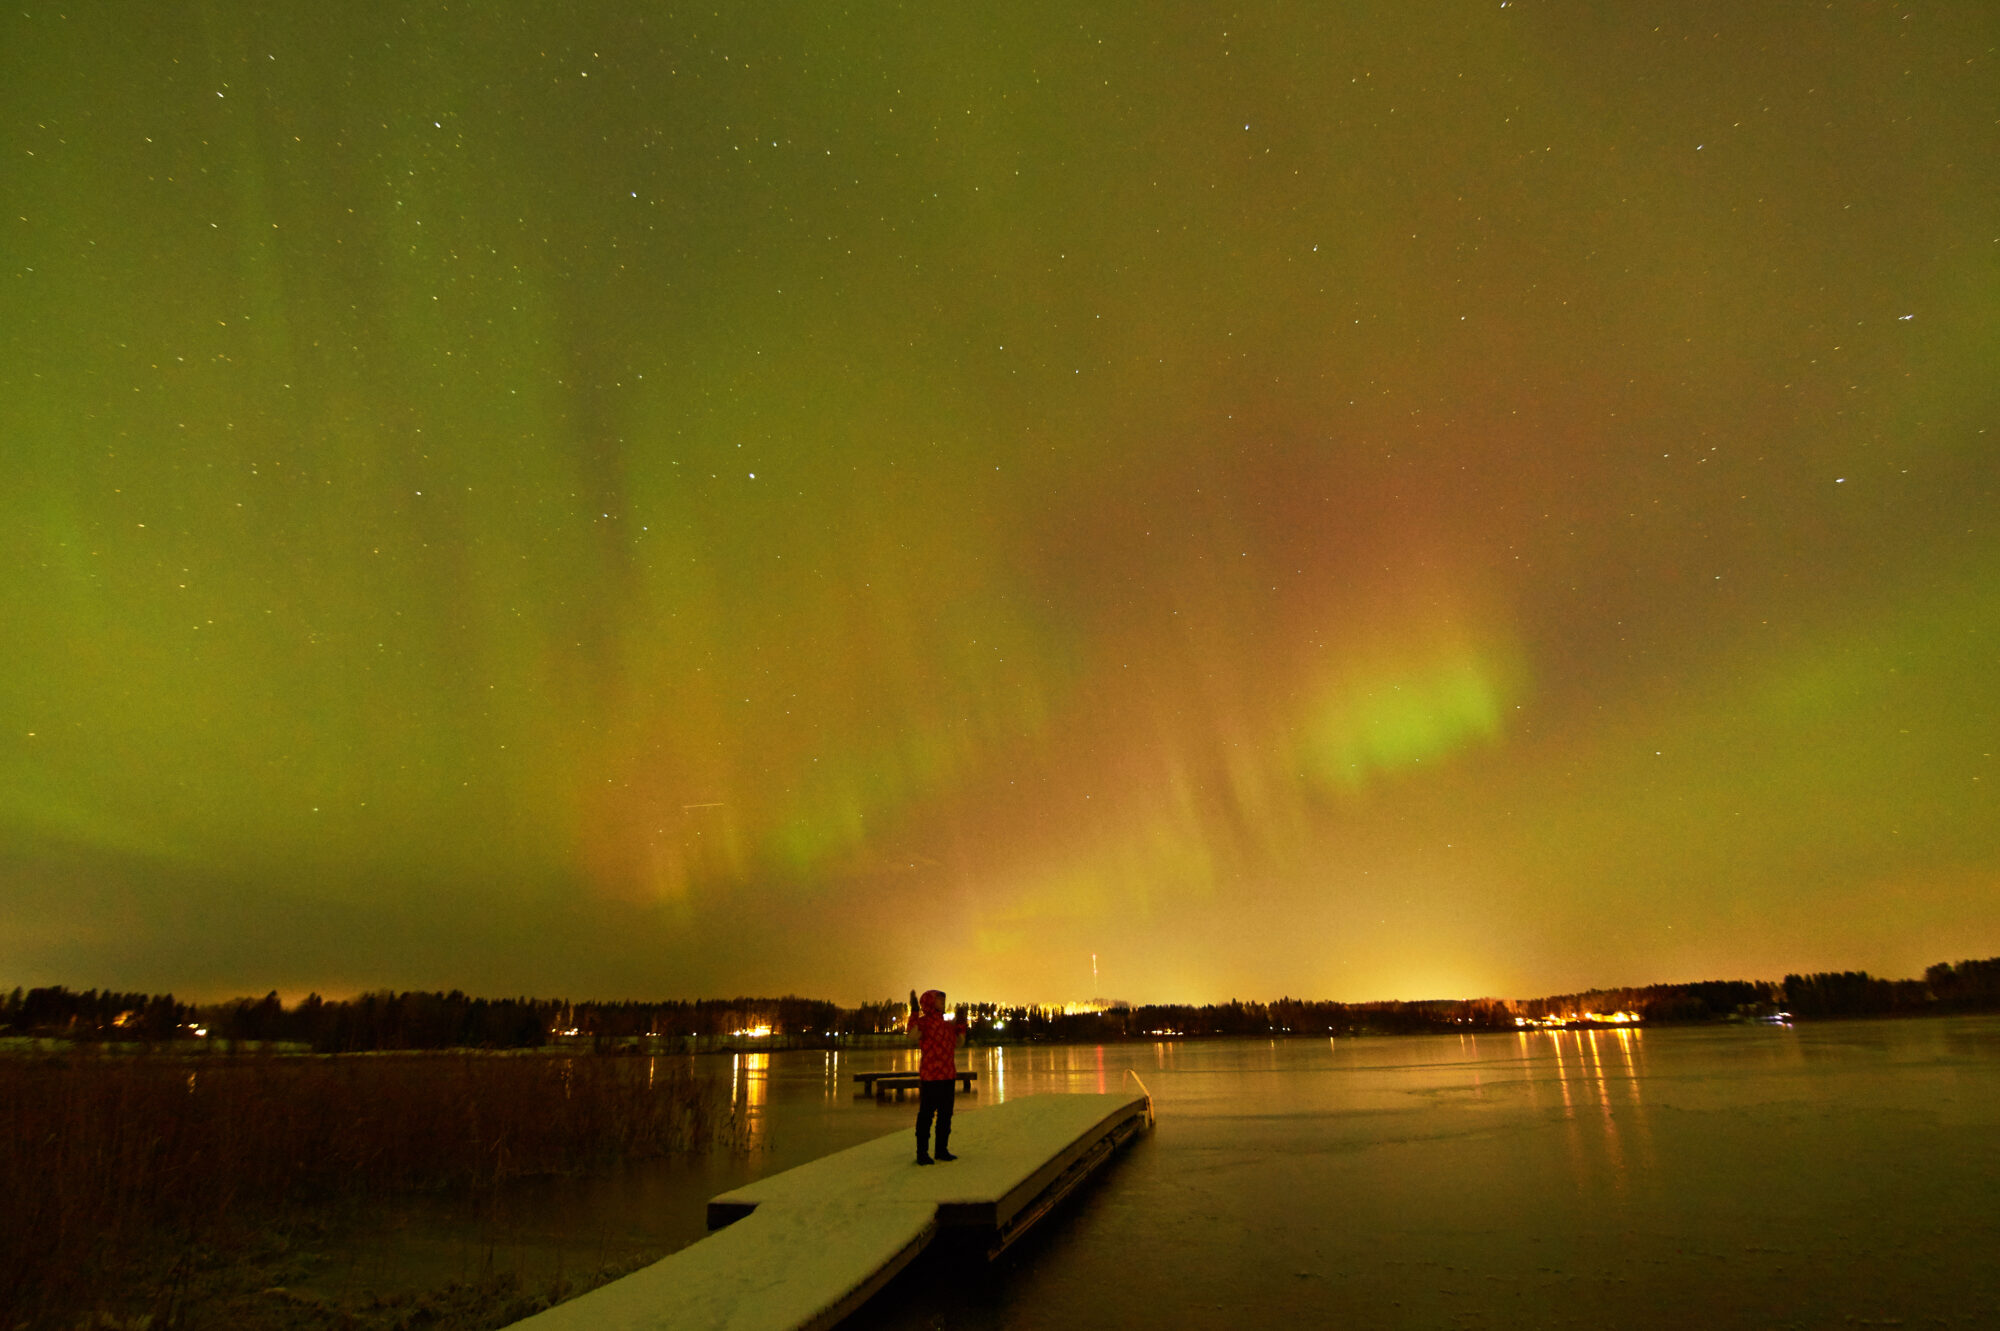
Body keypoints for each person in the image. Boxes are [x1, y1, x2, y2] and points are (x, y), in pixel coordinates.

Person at [905, 988, 961, 1165]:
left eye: (944, 1000)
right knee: (926, 1115)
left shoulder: (945, 1025)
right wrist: (914, 1011)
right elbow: (912, 1036)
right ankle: (922, 1153)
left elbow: (957, 1043)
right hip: (931, 1077)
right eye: (939, 1000)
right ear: (929, 1002)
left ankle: (941, 1150)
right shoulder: (924, 1023)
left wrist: (960, 1026)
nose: (943, 1002)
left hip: (948, 1075)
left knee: (946, 1114)